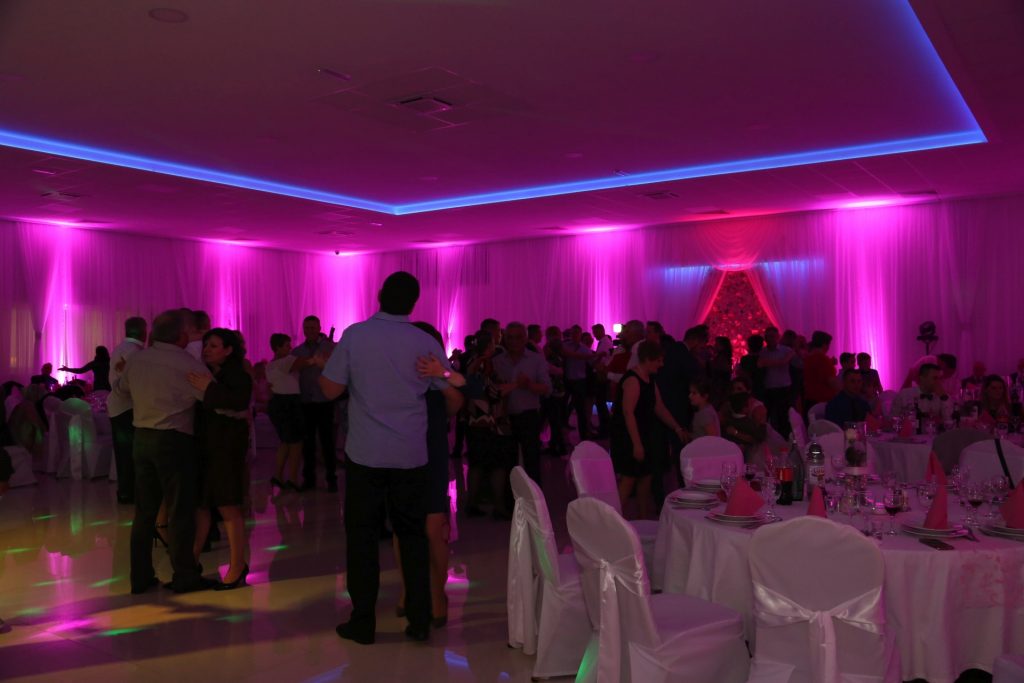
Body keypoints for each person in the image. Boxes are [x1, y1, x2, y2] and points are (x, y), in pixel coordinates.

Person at [320, 271, 453, 645]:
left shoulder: (356, 335)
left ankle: (363, 622)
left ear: (379, 295)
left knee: (362, 538)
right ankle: (420, 619)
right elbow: (445, 383)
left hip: (366, 453)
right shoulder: (423, 341)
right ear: (414, 302)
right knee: (412, 536)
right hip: (411, 454)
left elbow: (329, 390)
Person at [112, 309, 214, 594]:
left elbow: (120, 390)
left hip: (142, 437)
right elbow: (210, 395)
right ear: (181, 336)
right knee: (180, 510)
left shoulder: (138, 359)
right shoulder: (187, 363)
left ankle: (140, 576)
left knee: (144, 511)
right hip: (174, 440)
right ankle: (184, 575)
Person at [393, 322, 466, 628]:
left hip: (431, 456)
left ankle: (437, 593)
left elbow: (457, 401)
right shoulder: (398, 374)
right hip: (398, 456)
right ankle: (408, 588)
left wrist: (440, 375)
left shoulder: (439, 374)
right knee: (402, 526)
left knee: (434, 527)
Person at [187, 328, 253, 590]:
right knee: (202, 505)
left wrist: (209, 389)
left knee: (227, 505)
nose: (207, 350)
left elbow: (239, 402)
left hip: (225, 449)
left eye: (214, 346)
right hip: (207, 447)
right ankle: (191, 563)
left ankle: (237, 566)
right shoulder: (207, 373)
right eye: (206, 345)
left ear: (228, 350)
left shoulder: (236, 374)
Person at [609, 341, 686, 519]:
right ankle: (609, 521)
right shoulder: (632, 380)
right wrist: (637, 444)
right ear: (647, 359)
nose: (661, 364)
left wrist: (676, 427)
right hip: (628, 436)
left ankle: (643, 520)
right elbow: (628, 413)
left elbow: (659, 407)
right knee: (628, 480)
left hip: (644, 434)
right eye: (658, 360)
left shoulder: (649, 379)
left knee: (645, 479)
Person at [462, 331, 517, 518]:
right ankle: (499, 507)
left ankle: (472, 503)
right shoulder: (484, 363)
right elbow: (492, 392)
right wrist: (514, 385)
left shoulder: (472, 360)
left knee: (477, 464)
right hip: (489, 421)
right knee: (497, 465)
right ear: (489, 346)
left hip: (474, 420)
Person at [494, 322, 552, 484]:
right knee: (507, 462)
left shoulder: (535, 360)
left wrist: (529, 385)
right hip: (504, 418)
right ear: (505, 339)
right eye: (510, 338)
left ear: (525, 339)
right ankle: (510, 497)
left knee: (532, 460)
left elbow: (547, 388)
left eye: (518, 337)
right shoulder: (497, 361)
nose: (514, 341)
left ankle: (535, 497)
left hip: (528, 416)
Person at [292, 315, 338, 492]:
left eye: (312, 328)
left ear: (319, 328)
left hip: (324, 400)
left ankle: (331, 479)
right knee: (308, 443)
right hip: (306, 401)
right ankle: (309, 479)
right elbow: (293, 370)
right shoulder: (298, 351)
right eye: (307, 328)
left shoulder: (330, 347)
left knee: (327, 442)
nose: (310, 331)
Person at [108, 317, 147, 504]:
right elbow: (132, 383)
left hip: (118, 407)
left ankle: (125, 491)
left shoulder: (121, 348)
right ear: (143, 331)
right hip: (127, 407)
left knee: (124, 452)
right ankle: (129, 492)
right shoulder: (135, 352)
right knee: (130, 453)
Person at [266, 334, 304, 491]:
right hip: (289, 403)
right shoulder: (286, 361)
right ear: (277, 348)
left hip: (277, 404)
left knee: (285, 442)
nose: (290, 348)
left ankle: (278, 476)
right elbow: (305, 362)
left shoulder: (270, 365)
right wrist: (318, 358)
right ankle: (293, 479)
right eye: (287, 345)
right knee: (296, 443)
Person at [720, 376, 783, 468]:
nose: (736, 392)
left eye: (739, 389)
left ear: (748, 391)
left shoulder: (757, 408)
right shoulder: (729, 405)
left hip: (758, 446)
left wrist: (736, 433)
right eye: (733, 389)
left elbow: (757, 437)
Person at [758, 326, 794, 435]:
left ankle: (785, 438)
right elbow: (760, 364)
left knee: (783, 416)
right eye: (768, 336)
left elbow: (785, 362)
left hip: (784, 387)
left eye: (773, 336)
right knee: (768, 415)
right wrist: (781, 361)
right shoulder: (763, 352)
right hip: (769, 388)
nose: (771, 339)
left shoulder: (786, 350)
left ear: (778, 337)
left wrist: (769, 362)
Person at [562, 325, 593, 441]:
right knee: (563, 408)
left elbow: (592, 363)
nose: (575, 335)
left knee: (581, 410)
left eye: (577, 333)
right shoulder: (565, 346)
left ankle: (584, 436)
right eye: (573, 333)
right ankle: (563, 434)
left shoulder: (584, 349)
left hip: (579, 382)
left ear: (580, 334)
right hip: (566, 380)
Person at [540, 325, 568, 456]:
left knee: (554, 421)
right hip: (559, 391)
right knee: (555, 420)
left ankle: (558, 447)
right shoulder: (560, 356)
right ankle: (556, 446)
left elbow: (554, 373)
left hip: (553, 392)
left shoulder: (552, 359)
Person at [803, 331, 838, 410]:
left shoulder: (808, 358)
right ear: (825, 345)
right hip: (822, 403)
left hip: (810, 400)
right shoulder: (822, 360)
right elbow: (832, 382)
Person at [737, 335, 766, 401]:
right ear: (761, 346)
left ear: (749, 345)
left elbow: (741, 373)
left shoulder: (745, 359)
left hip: (747, 387)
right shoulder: (763, 359)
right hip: (761, 387)